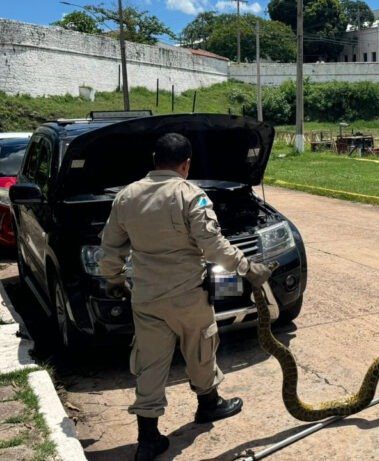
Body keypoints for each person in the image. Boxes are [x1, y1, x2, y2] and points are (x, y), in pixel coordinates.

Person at [100, 133, 275, 460]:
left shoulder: (126, 197)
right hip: (188, 296)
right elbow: (214, 247)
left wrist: (114, 280)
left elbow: (110, 249)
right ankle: (209, 405)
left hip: (147, 297)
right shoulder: (190, 195)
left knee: (150, 362)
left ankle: (148, 438)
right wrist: (248, 267)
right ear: (186, 164)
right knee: (200, 348)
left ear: (155, 159)